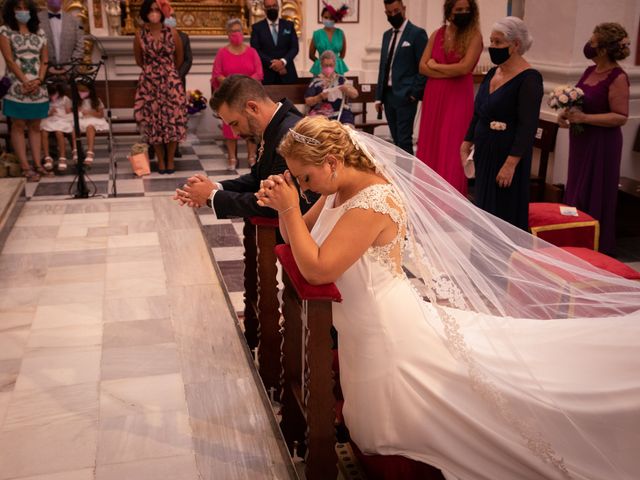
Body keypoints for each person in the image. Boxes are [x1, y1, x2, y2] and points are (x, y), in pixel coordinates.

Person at [255, 114, 640, 480]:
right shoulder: (336, 190)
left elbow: (319, 268)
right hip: (361, 326)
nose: (304, 188)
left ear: (334, 161)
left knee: (422, 411)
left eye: (306, 177)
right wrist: (285, 208)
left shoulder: (372, 200)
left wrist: (289, 208)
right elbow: (300, 238)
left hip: (384, 328)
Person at [173, 75, 315, 219]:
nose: (235, 133)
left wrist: (212, 197)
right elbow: (257, 178)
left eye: (235, 124)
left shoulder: (290, 135)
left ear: (253, 107)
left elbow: (276, 203)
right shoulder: (273, 125)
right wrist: (214, 188)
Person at [462, 17, 543, 230]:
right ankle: (480, 259)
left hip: (507, 153)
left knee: (503, 210)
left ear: (516, 44)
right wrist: (466, 141)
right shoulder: (492, 72)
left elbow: (528, 126)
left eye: (498, 42)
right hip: (485, 149)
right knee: (483, 207)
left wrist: (510, 164)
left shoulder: (529, 79)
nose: (492, 47)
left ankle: (504, 261)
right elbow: (479, 111)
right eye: (491, 41)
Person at [560, 23, 630, 256]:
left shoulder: (618, 77)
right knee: (577, 189)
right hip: (581, 141)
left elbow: (620, 116)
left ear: (602, 49)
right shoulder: (589, 71)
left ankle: (594, 248)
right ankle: (575, 240)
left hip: (602, 144)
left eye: (593, 41)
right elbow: (580, 101)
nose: (588, 45)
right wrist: (566, 112)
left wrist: (585, 118)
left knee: (595, 191)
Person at [416, 0, 482, 195]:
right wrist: (448, 71)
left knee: (452, 143)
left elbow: (464, 68)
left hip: (458, 97)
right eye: (459, 9)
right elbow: (421, 66)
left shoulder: (474, 37)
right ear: (449, 11)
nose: (463, 13)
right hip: (434, 96)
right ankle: (426, 195)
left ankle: (449, 200)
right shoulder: (437, 34)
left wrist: (435, 66)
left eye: (467, 10)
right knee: (432, 142)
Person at [133, 0, 186, 175]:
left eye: (157, 9)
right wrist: (152, 72)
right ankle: (160, 161)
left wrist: (167, 72)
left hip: (170, 83)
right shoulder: (139, 35)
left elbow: (179, 58)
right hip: (149, 84)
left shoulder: (172, 32)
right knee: (153, 124)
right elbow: (139, 60)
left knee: (172, 123)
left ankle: (170, 160)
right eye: (151, 10)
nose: (154, 13)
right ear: (145, 13)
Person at [0, 0, 49, 182]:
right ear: (11, 11)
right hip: (16, 86)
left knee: (35, 126)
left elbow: (44, 60)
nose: (23, 11)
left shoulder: (40, 32)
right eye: (18, 8)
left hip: (38, 87)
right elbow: (10, 60)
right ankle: (25, 166)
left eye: (26, 8)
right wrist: (24, 80)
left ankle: (37, 164)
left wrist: (39, 80)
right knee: (18, 125)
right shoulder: (5, 31)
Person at [375, 0, 428, 154]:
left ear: (404, 9)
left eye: (396, 11)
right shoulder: (386, 35)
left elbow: (423, 66)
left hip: (406, 95)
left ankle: (406, 178)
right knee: (395, 140)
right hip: (388, 95)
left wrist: (414, 93)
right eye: (389, 13)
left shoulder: (417, 34)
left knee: (404, 140)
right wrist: (379, 97)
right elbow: (383, 66)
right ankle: (398, 177)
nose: (393, 15)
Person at [211, 18, 263, 170]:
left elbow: (259, 73)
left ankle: (252, 156)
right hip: (229, 95)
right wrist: (232, 82)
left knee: (251, 124)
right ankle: (232, 157)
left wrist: (244, 83)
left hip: (249, 95)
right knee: (230, 127)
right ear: (228, 34)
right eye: (233, 31)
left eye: (239, 30)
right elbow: (216, 74)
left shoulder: (252, 52)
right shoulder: (222, 53)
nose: (236, 34)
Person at [250, 0, 299, 85]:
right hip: (267, 75)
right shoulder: (257, 28)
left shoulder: (289, 25)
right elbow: (255, 50)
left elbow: (294, 48)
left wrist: (282, 62)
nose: (272, 8)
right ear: (264, 9)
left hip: (287, 73)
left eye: (274, 6)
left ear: (278, 7)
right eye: (268, 7)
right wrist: (275, 64)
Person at [164, 14, 192, 159]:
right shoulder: (153, 35)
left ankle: (175, 147)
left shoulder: (183, 36)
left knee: (176, 115)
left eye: (171, 18)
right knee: (160, 115)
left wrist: (176, 76)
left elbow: (188, 60)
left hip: (177, 81)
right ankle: (157, 147)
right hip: (159, 83)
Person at [304, 50, 358, 125]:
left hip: (341, 112)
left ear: (335, 65)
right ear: (321, 65)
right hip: (321, 113)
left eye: (331, 65)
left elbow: (355, 94)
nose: (328, 68)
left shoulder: (341, 79)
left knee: (348, 127)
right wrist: (319, 97)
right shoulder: (316, 81)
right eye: (326, 65)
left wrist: (347, 89)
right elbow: (308, 101)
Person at [37, 0, 84, 68]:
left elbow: (79, 48)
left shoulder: (75, 21)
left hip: (68, 73)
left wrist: (67, 69)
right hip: (44, 73)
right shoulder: (36, 20)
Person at [41, 81, 73, 172]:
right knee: (43, 132)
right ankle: (47, 156)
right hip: (49, 119)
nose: (53, 96)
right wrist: (49, 112)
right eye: (51, 94)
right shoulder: (46, 100)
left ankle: (62, 157)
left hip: (61, 119)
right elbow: (43, 112)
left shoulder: (65, 99)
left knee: (59, 132)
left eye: (55, 93)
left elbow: (68, 112)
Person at [309, 4, 349, 76]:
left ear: (335, 19)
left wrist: (334, 64)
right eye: (326, 17)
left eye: (331, 18)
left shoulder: (340, 33)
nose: (328, 20)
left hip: (337, 68)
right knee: (320, 87)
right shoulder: (317, 34)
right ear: (322, 17)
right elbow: (311, 55)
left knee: (338, 87)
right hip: (320, 69)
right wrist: (321, 63)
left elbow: (342, 54)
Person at [77, 82, 108, 165]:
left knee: (90, 127)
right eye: (79, 90)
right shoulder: (78, 101)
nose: (81, 92)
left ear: (90, 90)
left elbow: (101, 115)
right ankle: (76, 151)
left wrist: (90, 112)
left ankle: (90, 152)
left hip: (94, 119)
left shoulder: (96, 100)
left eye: (84, 90)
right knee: (73, 127)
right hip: (81, 120)